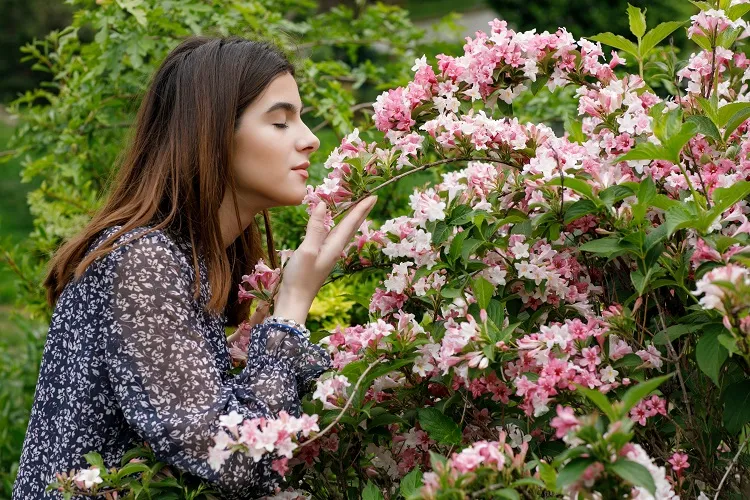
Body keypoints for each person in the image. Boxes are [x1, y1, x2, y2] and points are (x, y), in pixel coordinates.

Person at [11, 35, 377, 500]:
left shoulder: (197, 260)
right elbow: (235, 460)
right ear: (212, 133)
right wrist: (292, 308)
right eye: (281, 121)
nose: (309, 138)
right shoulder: (142, 259)